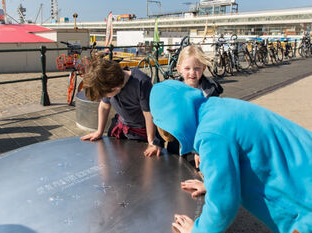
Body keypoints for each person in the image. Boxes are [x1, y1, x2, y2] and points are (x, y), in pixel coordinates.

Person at [150, 80, 312, 233]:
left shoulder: (210, 134)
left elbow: (224, 204)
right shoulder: (217, 108)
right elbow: (242, 156)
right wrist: (213, 185)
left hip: (304, 205)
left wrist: (199, 230)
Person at [80, 56, 162, 157]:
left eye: (105, 95)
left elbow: (148, 114)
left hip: (142, 132)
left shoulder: (141, 82)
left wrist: (151, 141)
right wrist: (99, 131)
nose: (105, 98)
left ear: (116, 88)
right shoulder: (107, 82)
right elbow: (104, 107)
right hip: (121, 127)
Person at [172, 44, 223, 198]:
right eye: (187, 68)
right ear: (179, 68)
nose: (192, 73)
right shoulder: (174, 89)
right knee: (178, 171)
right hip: (179, 138)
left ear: (204, 68)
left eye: (197, 68)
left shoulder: (210, 91)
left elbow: (210, 121)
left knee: (202, 169)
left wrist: (197, 149)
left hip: (203, 138)